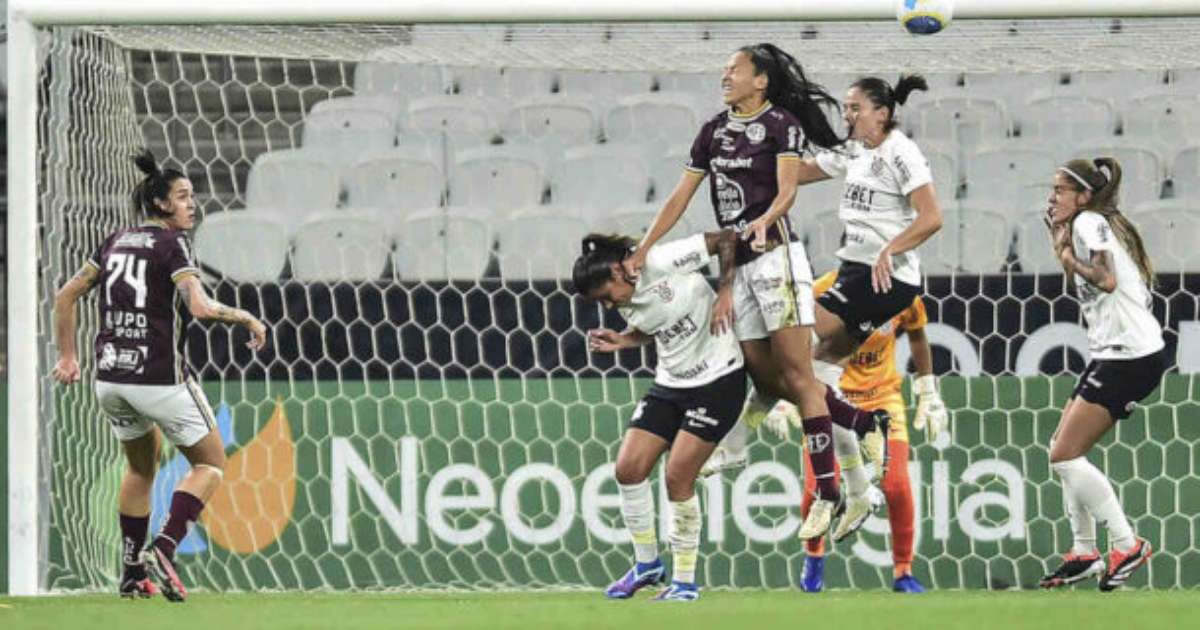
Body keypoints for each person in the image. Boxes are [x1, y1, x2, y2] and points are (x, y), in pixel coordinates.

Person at [623, 43, 889, 543]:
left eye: (734, 69)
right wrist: (644, 246)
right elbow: (682, 196)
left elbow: (786, 189)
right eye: (725, 69)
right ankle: (860, 420)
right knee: (765, 376)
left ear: (760, 80)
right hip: (737, 267)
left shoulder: (782, 124)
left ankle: (827, 492)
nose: (725, 76)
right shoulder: (712, 131)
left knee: (796, 373)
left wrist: (767, 219)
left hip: (777, 260)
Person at [52, 150, 268, 601]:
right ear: (162, 204)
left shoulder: (114, 241)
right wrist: (246, 316)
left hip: (110, 379)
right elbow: (200, 307)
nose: (193, 205)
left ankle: (131, 574)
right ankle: (165, 547)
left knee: (141, 466)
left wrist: (68, 357)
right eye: (184, 197)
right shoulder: (173, 245)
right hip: (158, 379)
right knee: (210, 463)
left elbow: (66, 295)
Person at [576, 229, 739, 602]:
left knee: (677, 477)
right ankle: (647, 564)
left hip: (718, 378)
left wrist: (725, 291)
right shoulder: (626, 300)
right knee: (628, 469)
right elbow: (660, 327)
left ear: (618, 273)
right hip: (670, 383)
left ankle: (683, 581)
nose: (609, 307)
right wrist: (625, 340)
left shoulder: (663, 260)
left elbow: (726, 239)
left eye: (605, 296)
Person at [1038, 158, 1167, 592]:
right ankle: (1083, 551)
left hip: (1129, 355)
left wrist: (1067, 254)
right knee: (1060, 448)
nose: (1052, 197)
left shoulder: (1089, 221)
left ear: (1083, 197)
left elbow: (1106, 279)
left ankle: (1127, 544)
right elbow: (1092, 285)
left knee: (1065, 455)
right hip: (1115, 353)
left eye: (1059, 190)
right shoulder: (1083, 224)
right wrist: (1062, 247)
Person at [790, 270, 948, 594]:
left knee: (896, 484)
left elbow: (917, 334)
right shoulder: (823, 289)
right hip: (830, 395)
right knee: (820, 487)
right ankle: (814, 556)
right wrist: (789, 395)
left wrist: (927, 390)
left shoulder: (900, 290)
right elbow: (797, 342)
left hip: (883, 398)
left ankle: (904, 571)